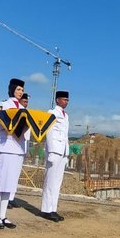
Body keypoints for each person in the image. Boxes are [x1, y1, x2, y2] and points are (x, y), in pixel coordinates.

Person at [0, 78, 28, 230]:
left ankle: (4, 215)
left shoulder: (23, 109)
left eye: (22, 90)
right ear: (12, 89)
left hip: (18, 148)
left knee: (10, 184)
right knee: (0, 182)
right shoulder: (4, 105)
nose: (20, 92)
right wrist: (6, 127)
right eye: (18, 89)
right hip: (6, 146)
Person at [40, 90, 70, 223]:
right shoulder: (52, 113)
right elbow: (49, 132)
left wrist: (66, 152)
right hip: (54, 150)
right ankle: (46, 209)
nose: (66, 102)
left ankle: (53, 209)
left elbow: (65, 135)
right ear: (57, 99)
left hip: (62, 151)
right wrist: (51, 151)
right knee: (50, 181)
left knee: (57, 183)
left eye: (67, 100)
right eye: (64, 99)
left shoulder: (66, 115)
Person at [8, 92, 30, 210]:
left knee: (15, 174)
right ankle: (7, 198)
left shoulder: (27, 113)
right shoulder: (18, 111)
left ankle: (11, 196)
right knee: (10, 173)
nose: (26, 103)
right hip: (14, 146)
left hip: (22, 147)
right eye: (25, 101)